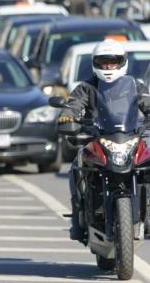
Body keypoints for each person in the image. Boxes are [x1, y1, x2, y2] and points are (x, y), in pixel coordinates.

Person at [57, 39, 150, 241]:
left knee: (147, 163)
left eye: (113, 62)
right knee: (76, 166)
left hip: (129, 137)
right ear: (95, 64)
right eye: (104, 62)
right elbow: (74, 104)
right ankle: (78, 218)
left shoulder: (135, 85)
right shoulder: (86, 87)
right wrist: (68, 115)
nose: (109, 67)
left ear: (122, 62)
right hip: (97, 139)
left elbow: (147, 103)